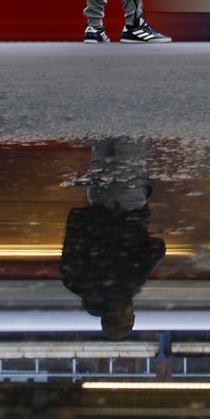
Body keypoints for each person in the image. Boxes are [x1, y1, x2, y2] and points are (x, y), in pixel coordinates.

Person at [61, 140, 166, 339]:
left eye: (132, 314)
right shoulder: (74, 283)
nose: (133, 309)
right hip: (97, 199)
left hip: (128, 204)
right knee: (102, 146)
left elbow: (154, 251)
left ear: (123, 316)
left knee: (131, 142)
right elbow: (73, 240)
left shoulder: (126, 287)